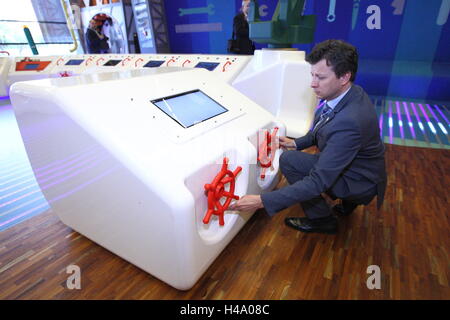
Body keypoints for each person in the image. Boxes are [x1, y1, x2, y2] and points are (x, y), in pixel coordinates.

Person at [229, 39, 387, 235]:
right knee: (297, 155)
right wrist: (297, 143)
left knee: (289, 161)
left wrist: (261, 201)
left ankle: (323, 220)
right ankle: (348, 203)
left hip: (360, 179)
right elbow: (324, 127)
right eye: (312, 75)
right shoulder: (351, 93)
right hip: (359, 165)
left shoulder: (350, 122)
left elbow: (318, 181)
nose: (312, 84)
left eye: (320, 77)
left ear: (344, 76)